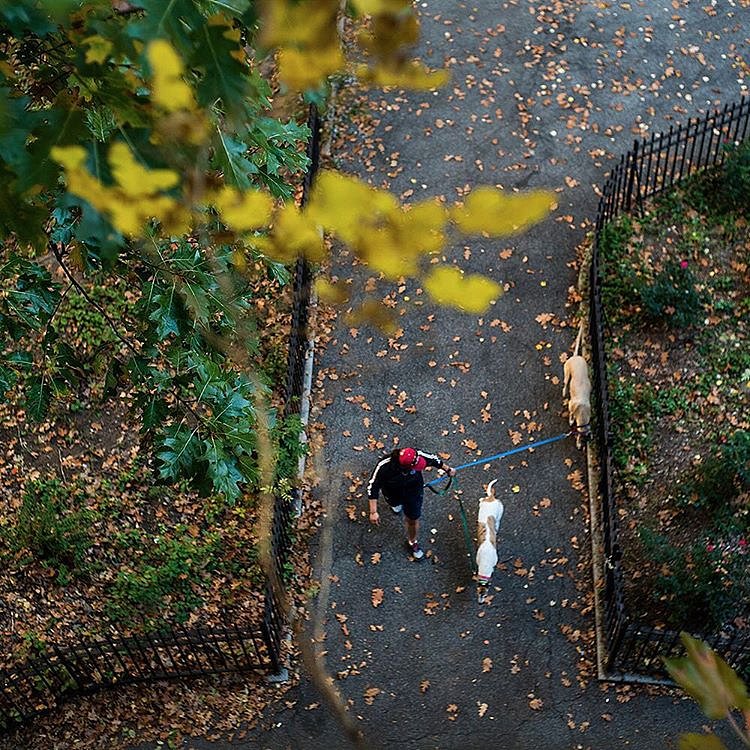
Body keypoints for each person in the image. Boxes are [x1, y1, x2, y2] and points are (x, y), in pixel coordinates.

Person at [367, 446, 456, 560]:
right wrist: (373, 511)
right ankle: (395, 505)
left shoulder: (416, 455)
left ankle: (412, 541)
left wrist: (448, 469)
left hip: (414, 494)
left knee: (413, 520)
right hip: (392, 493)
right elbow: (373, 486)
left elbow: (433, 460)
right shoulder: (384, 467)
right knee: (395, 504)